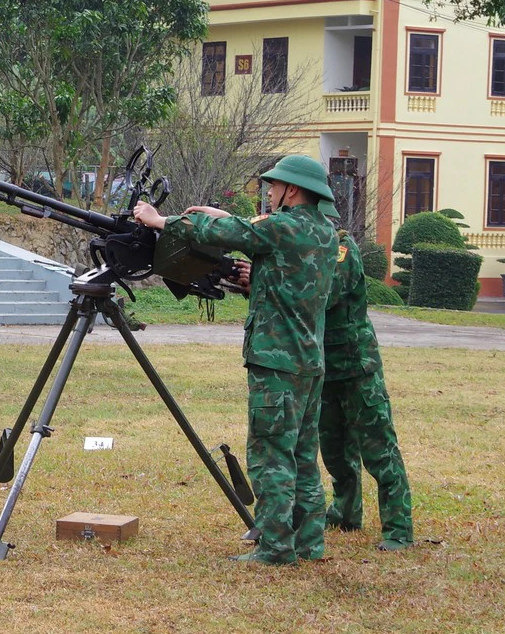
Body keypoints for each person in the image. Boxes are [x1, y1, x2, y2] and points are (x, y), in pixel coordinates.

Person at [133, 155, 338, 566]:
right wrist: (252, 272)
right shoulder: (323, 232)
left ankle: (276, 547)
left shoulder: (285, 226)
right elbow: (259, 238)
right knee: (301, 454)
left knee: (271, 455)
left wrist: (159, 220)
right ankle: (309, 541)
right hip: (308, 362)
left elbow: (235, 232)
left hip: (276, 362)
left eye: (274, 186)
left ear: (292, 190)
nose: (270, 193)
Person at [317, 212, 415, 550]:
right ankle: (345, 511)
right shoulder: (309, 249)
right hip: (326, 365)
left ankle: (398, 528)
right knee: (333, 447)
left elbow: (324, 296)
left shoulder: (341, 249)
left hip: (357, 366)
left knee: (378, 448)